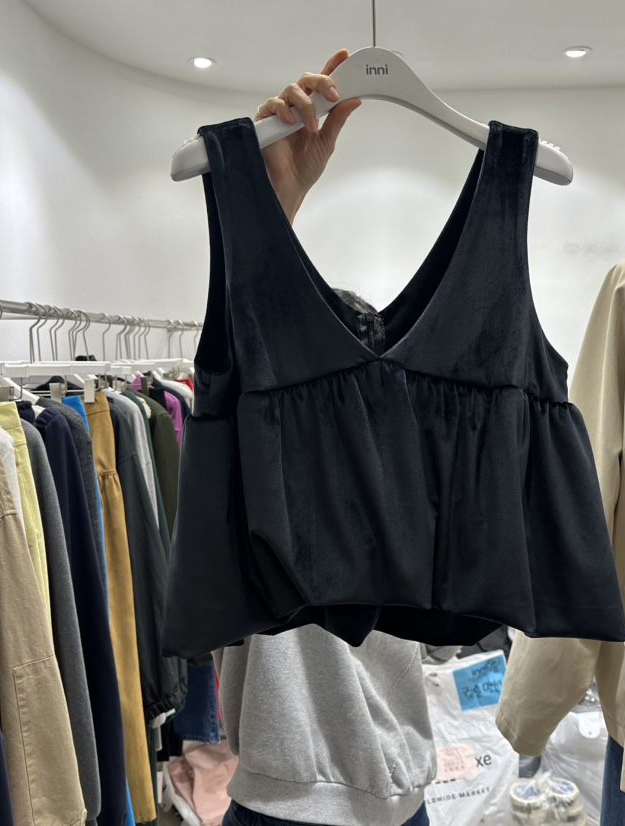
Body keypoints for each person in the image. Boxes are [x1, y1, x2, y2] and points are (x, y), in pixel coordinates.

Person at [217, 50, 458, 826]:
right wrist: (273, 208)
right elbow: (239, 355)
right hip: (308, 795)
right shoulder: (267, 467)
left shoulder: (402, 478)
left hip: (360, 793)